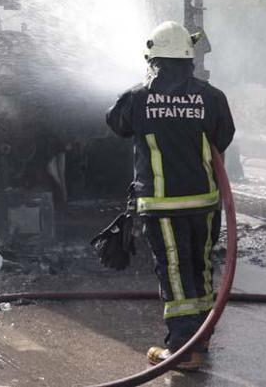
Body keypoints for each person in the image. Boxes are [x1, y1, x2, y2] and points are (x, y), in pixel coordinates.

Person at [106, 21, 235, 371]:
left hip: (162, 206)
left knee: (175, 271)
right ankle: (201, 338)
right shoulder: (211, 96)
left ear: (153, 58)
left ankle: (182, 349)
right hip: (205, 203)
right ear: (188, 58)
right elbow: (223, 137)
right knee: (201, 267)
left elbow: (117, 124)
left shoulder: (137, 97)